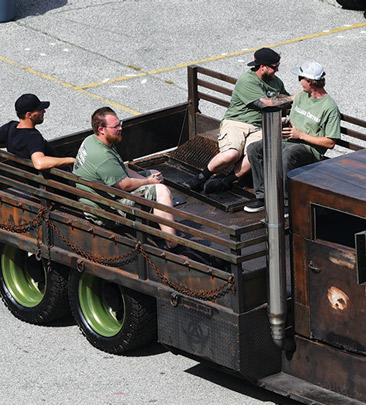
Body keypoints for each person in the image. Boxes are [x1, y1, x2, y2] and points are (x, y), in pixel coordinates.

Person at [73, 107, 194, 257]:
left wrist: (148, 179)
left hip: (106, 195)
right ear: (101, 129)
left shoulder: (93, 140)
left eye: (120, 123)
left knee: (153, 174)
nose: (120, 128)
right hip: (104, 211)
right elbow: (124, 185)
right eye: (115, 126)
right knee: (161, 191)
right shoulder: (102, 156)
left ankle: (153, 225)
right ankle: (173, 245)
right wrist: (149, 182)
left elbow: (121, 169)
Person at [185, 48, 289, 194]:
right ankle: (201, 177)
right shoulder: (247, 80)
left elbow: (285, 99)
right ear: (262, 67)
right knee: (232, 155)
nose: (277, 70)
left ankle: (226, 181)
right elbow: (266, 103)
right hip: (237, 122)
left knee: (255, 153)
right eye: (275, 66)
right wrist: (292, 98)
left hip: (260, 127)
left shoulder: (276, 82)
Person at [244, 61, 341, 213]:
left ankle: (287, 204)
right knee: (254, 148)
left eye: (300, 78)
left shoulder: (329, 107)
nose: (299, 82)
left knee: (286, 155)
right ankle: (262, 197)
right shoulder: (302, 95)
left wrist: (301, 135)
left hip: (309, 149)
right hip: (289, 140)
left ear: (310, 82)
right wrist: (285, 123)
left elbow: (330, 142)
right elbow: (292, 117)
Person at [0, 93, 75, 170]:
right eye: (39, 109)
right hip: (54, 181)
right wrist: (72, 160)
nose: (43, 111)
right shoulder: (33, 137)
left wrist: (12, 144)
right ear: (29, 115)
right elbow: (39, 163)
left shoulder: (9, 128)